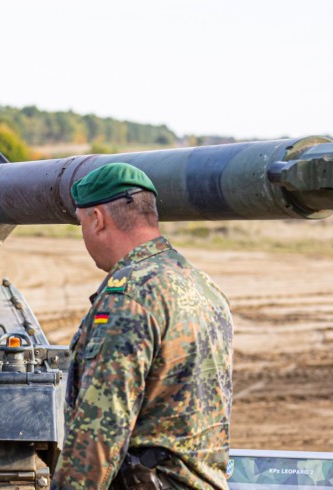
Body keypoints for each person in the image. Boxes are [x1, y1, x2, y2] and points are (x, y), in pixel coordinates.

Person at [51, 163, 233, 489]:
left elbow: (99, 431)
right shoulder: (203, 286)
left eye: (81, 224)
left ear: (97, 219)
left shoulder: (130, 296)